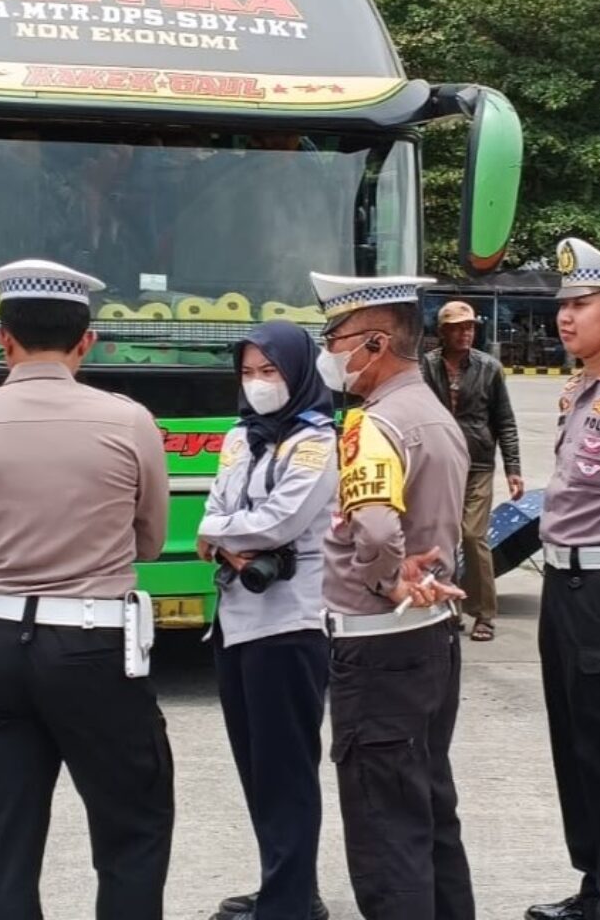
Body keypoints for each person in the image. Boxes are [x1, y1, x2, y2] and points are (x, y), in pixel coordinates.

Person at [0, 258, 172, 920]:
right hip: (94, 645)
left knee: (5, 839)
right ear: (86, 340)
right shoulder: (130, 422)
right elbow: (148, 542)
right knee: (132, 826)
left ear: (2, 337)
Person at [309, 271, 473, 920]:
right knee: (430, 811)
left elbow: (376, 528)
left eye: (335, 336)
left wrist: (385, 577)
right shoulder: (436, 414)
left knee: (386, 834)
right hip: (433, 640)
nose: (328, 350)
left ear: (375, 343)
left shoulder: (371, 426)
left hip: (379, 651)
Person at [196, 321, 337, 920]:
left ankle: (289, 904)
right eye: (249, 373)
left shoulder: (318, 442)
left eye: (270, 372)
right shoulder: (238, 437)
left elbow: (281, 520)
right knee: (256, 766)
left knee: (287, 771)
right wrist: (226, 534)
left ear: (299, 372)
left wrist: (218, 537)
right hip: (236, 620)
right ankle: (286, 885)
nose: (258, 385)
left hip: (290, 625)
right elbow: (218, 507)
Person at [526, 238, 600, 920]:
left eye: (580, 303)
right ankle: (597, 886)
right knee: (575, 747)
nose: (564, 318)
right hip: (565, 587)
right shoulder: (581, 389)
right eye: (563, 305)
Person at [423, 300, 524, 642]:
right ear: (443, 332)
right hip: (439, 464)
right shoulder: (427, 367)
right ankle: (448, 609)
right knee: (441, 537)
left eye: (469, 327)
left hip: (478, 464)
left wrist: (513, 468)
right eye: (457, 327)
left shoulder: (489, 368)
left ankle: (483, 613)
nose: (465, 333)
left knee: (471, 535)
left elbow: (505, 421)